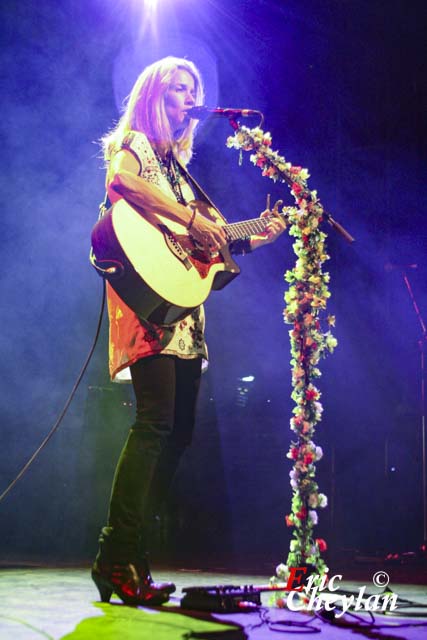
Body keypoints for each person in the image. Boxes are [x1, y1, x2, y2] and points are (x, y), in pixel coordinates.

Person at [91, 56, 286, 606]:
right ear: (156, 94)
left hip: (185, 311)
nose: (189, 98)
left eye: (194, 90)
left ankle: (136, 557)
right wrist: (192, 218)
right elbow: (122, 185)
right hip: (147, 305)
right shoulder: (135, 146)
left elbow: (207, 250)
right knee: (154, 424)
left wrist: (252, 236)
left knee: (178, 435)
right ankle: (113, 555)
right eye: (179, 88)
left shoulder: (180, 169)